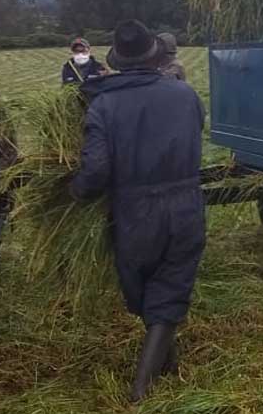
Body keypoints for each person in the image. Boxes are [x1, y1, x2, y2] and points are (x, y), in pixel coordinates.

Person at [70, 20, 207, 401]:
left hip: (134, 212)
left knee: (148, 289)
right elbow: (197, 132)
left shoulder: (103, 105)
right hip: (185, 203)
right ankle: (167, 366)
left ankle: (140, 392)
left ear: (118, 62)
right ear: (155, 56)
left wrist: (76, 191)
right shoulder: (185, 95)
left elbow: (96, 171)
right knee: (170, 285)